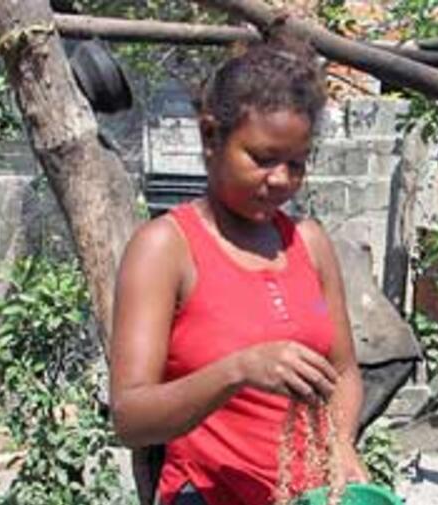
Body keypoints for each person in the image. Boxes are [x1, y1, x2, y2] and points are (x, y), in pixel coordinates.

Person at [109, 28, 368, 505]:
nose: (282, 179)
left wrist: (341, 443)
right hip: (209, 493)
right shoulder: (166, 247)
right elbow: (130, 417)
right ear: (211, 136)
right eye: (263, 159)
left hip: (307, 494)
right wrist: (239, 370)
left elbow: (344, 371)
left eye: (296, 164)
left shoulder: (309, 242)